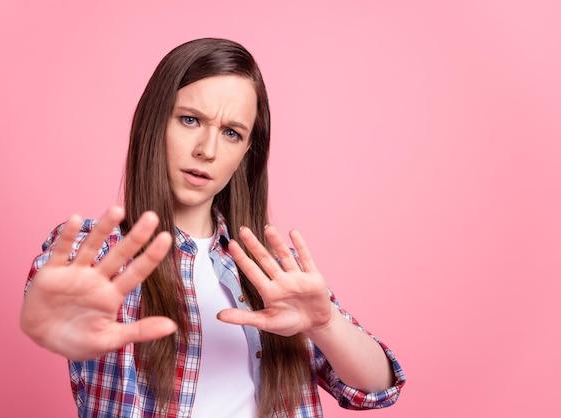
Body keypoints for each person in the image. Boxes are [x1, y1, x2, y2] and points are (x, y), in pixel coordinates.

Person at [20, 37, 406, 418]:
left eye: (231, 133)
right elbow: (53, 302)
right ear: (154, 123)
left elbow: (377, 389)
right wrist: (58, 315)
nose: (207, 149)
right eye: (190, 120)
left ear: (246, 152)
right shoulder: (101, 249)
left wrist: (325, 324)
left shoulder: (270, 271)